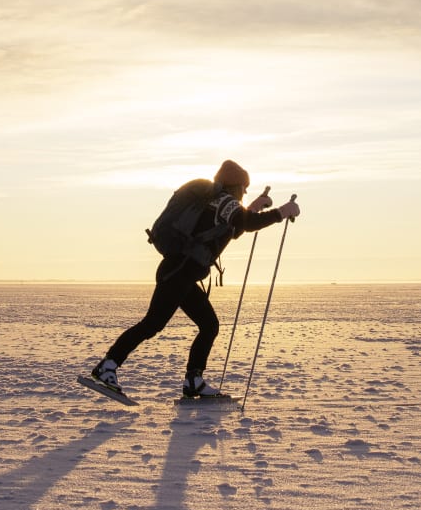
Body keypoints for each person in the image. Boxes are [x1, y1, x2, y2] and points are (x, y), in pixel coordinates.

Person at [91, 159, 300, 399]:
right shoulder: (224, 200)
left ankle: (194, 380)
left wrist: (254, 206)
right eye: (244, 188)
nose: (244, 192)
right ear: (235, 185)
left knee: (209, 325)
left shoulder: (216, 202)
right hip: (179, 272)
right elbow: (246, 223)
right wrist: (281, 212)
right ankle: (107, 367)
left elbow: (235, 228)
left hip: (182, 274)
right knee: (153, 323)